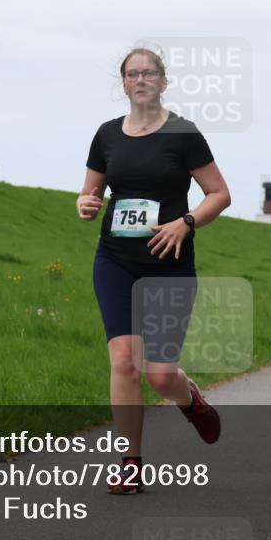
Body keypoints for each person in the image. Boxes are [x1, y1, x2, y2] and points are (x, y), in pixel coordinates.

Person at [77, 47, 232, 494]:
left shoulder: (183, 134)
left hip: (168, 263)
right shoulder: (107, 135)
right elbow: (89, 195)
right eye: (131, 74)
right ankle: (130, 462)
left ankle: (191, 399)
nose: (140, 80)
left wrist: (186, 223)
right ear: (123, 83)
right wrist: (85, 204)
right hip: (115, 260)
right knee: (124, 362)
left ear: (163, 82)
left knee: (159, 376)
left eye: (148, 73)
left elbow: (219, 194)